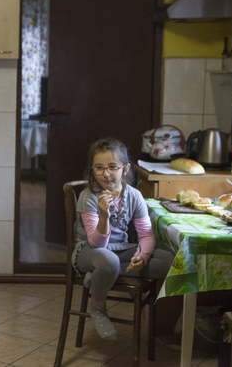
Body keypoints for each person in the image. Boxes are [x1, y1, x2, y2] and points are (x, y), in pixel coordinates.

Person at [73, 138, 174, 340]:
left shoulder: (134, 196)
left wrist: (143, 256)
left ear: (125, 169)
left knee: (170, 260)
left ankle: (102, 275)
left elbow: (146, 234)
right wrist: (104, 216)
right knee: (107, 260)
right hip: (88, 251)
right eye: (99, 168)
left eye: (112, 167)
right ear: (92, 169)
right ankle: (98, 307)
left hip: (121, 250)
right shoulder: (89, 196)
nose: (106, 173)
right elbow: (96, 243)